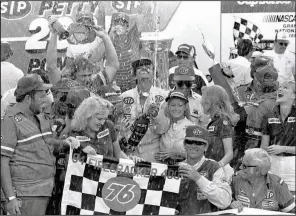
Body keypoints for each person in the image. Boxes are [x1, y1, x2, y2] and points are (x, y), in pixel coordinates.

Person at [0, 74, 78, 215]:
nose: (45, 101)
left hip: (45, 191)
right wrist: (11, 198)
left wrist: (65, 143)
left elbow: (47, 144)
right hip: (24, 196)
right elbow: (2, 162)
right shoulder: (10, 120)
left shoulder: (40, 116)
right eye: (41, 97)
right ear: (28, 98)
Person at [46, 16, 119, 96]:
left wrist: (105, 37)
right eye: (83, 76)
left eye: (89, 75)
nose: (87, 79)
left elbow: (113, 65)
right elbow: (51, 67)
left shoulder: (94, 83)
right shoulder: (66, 85)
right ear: (73, 75)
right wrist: (54, 34)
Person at [119, 58, 168, 162]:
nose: (144, 69)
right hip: (129, 152)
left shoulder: (164, 96)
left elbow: (163, 129)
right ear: (134, 75)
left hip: (153, 153)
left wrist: (156, 115)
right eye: (140, 67)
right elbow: (119, 127)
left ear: (154, 74)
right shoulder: (124, 97)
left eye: (148, 67)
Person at [177, 125, 232, 214]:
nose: (193, 146)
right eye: (190, 142)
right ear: (184, 144)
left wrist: (199, 179)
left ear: (206, 147)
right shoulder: (176, 168)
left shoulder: (214, 167)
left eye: (199, 143)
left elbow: (225, 201)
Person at [230, 148, 295, 213]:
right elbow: (224, 204)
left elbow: (291, 211)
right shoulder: (236, 179)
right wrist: (231, 204)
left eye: (244, 166)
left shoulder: (277, 184)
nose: (240, 167)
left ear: (257, 170)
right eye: (241, 163)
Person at [261, 81, 296, 194]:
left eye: (285, 88)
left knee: (292, 205)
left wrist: (283, 148)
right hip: (273, 165)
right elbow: (263, 147)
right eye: (280, 87)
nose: (280, 89)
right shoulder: (268, 116)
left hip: (292, 166)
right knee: (272, 202)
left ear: (293, 96)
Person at [201, 85, 239, 181]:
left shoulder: (223, 120)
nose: (201, 102)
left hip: (220, 171)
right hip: (211, 169)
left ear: (213, 101)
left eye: (204, 99)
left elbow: (229, 153)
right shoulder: (213, 120)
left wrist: (217, 166)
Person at [155, 90, 194, 165]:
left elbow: (197, 154)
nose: (176, 108)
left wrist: (177, 153)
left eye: (180, 105)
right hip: (163, 170)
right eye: (173, 105)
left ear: (185, 107)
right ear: (168, 106)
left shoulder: (191, 127)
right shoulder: (164, 126)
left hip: (183, 171)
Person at [245, 64, 279, 149]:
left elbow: (253, 141)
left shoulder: (258, 107)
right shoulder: (286, 103)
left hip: (263, 156)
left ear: (258, 84)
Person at [108, 12, 141, 92]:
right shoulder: (108, 41)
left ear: (127, 27)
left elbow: (139, 18)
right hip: (115, 87)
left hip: (133, 84)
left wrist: (126, 15)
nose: (119, 25)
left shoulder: (132, 37)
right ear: (112, 25)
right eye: (116, 23)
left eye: (123, 23)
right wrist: (111, 33)